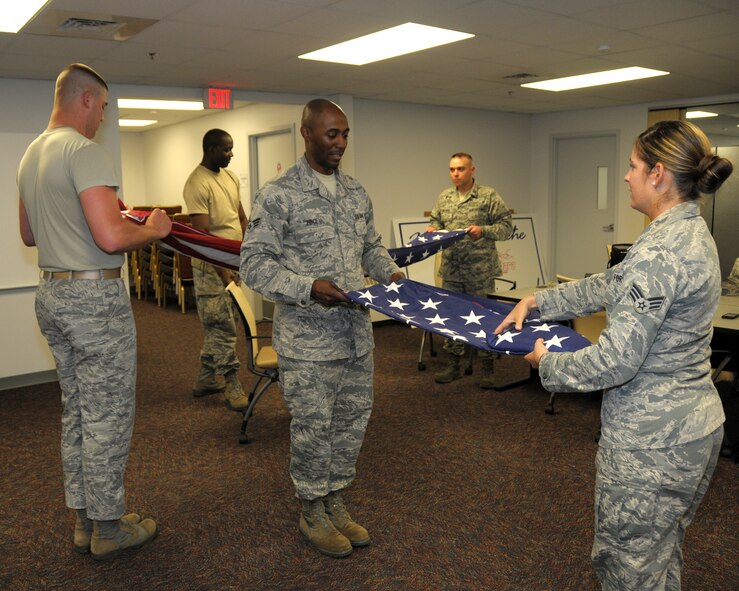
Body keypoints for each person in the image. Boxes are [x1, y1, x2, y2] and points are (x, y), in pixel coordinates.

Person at [495, 120, 733, 591]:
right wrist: (540, 301)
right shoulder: (686, 233)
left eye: (633, 166)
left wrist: (548, 364)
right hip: (692, 428)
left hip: (652, 445)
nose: (626, 176)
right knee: (659, 556)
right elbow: (612, 284)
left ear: (659, 174)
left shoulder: (660, 251)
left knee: (627, 567)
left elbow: (615, 362)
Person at [17, 63, 171, 560]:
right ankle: (108, 529)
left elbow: (30, 235)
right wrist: (154, 229)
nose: (102, 117)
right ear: (86, 100)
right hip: (93, 301)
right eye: (103, 107)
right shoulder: (84, 152)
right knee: (107, 416)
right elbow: (111, 237)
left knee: (78, 413)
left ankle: (85, 520)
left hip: (52, 295)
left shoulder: (30, 154)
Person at [240, 98, 404, 558]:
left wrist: (392, 275)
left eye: (346, 134)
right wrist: (309, 287)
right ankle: (311, 509)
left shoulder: (355, 192)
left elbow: (371, 247)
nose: (340, 143)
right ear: (306, 134)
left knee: (351, 424)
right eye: (332, 134)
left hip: (355, 337)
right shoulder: (278, 195)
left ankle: (336, 499)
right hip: (309, 343)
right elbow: (253, 265)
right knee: (314, 428)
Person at [425, 152, 512, 388]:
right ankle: (453, 364)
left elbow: (507, 228)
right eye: (452, 169)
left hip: (480, 271)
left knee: (485, 318)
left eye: (461, 169)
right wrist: (433, 229)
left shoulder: (488, 196)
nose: (455, 174)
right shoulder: (444, 197)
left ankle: (488, 367)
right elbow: (437, 222)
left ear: (472, 170)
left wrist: (483, 231)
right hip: (452, 269)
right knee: (452, 317)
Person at [183, 129, 249, 411]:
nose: (231, 154)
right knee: (222, 325)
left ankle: (207, 378)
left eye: (231, 149)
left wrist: (248, 254)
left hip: (233, 261)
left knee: (225, 321)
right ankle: (231, 383)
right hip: (212, 266)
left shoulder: (231, 177)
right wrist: (223, 270)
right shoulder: (197, 183)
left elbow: (241, 217)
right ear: (210, 149)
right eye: (226, 150)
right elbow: (204, 235)